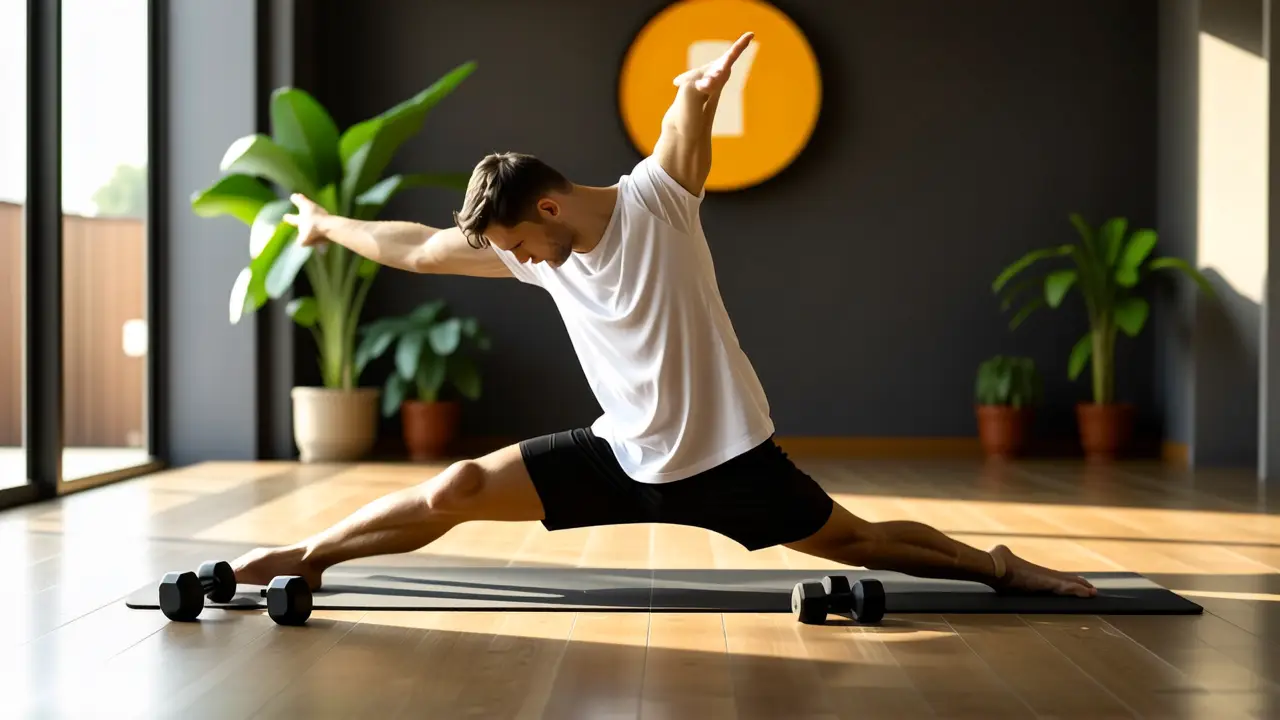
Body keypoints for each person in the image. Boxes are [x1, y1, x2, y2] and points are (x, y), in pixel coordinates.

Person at [233, 32, 1096, 599]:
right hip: (623, 453)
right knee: (457, 485)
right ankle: (307, 556)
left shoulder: (658, 205)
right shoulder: (534, 257)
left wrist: (701, 88)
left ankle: (1002, 568)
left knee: (861, 544)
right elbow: (416, 248)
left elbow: (684, 131)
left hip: (728, 460)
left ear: (546, 210)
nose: (517, 265)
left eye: (519, 246)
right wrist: (323, 224)